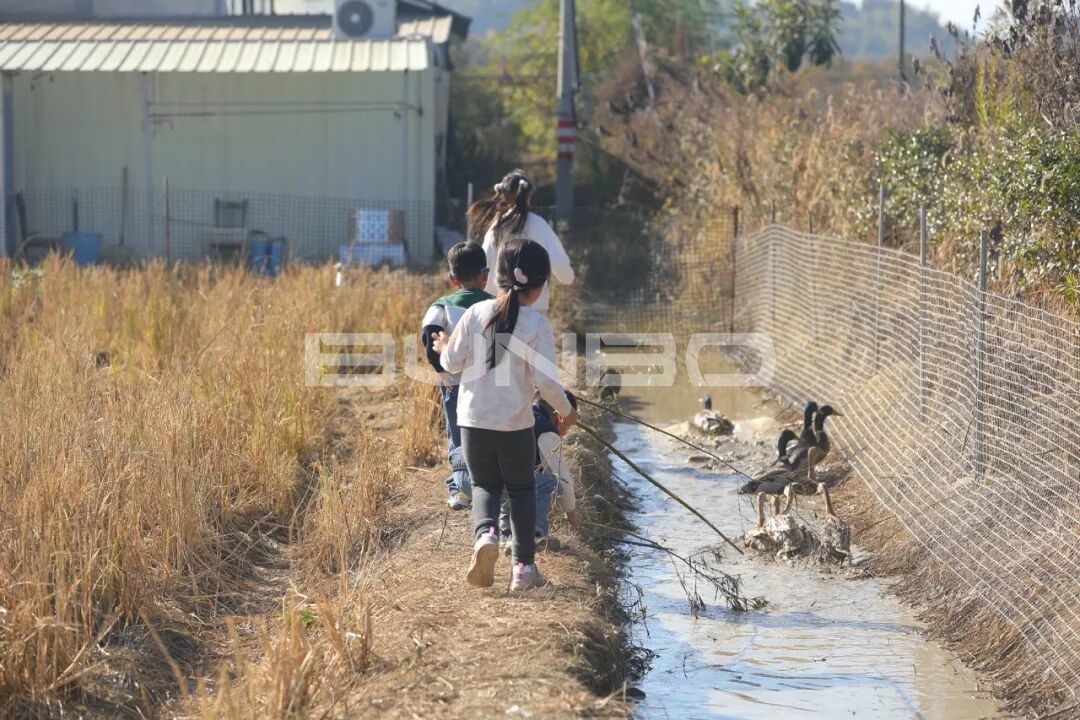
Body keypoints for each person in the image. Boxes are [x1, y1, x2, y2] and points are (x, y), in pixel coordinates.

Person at [434, 238, 578, 591]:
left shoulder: (474, 314)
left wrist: (442, 347)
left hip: (471, 421)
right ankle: (523, 570)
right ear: (542, 284)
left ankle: (485, 536)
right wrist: (567, 411)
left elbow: (451, 363)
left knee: (485, 484)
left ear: (496, 276)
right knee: (522, 489)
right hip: (514, 423)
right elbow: (546, 383)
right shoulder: (537, 325)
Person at [420, 242, 492, 510]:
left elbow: (430, 339)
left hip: (454, 384)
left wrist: (444, 373)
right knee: (487, 430)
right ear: (485, 274)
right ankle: (489, 482)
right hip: (492, 384)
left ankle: (462, 488)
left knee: (459, 433)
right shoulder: (496, 305)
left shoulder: (441, 307)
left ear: (452, 279)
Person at [467, 169, 575, 314]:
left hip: (499, 306)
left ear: (503, 194)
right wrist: (567, 277)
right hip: (534, 308)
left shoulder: (497, 227)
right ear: (528, 195)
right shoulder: (539, 225)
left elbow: (485, 262)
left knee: (499, 338)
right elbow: (559, 262)